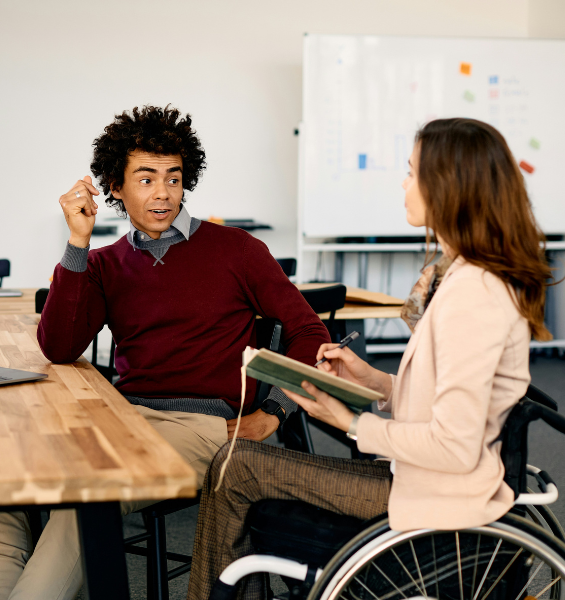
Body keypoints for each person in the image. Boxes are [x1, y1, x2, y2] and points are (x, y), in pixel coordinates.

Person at [0, 105, 331, 600]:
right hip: (121, 419)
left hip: (202, 429)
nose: (162, 193)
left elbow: (309, 331)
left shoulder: (238, 250)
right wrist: (77, 241)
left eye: (173, 178)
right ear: (115, 187)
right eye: (145, 179)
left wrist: (274, 411)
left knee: (85, 499)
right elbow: (58, 347)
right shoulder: (104, 263)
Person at [186, 117, 555, 600]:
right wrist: (372, 382)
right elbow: (442, 400)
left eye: (411, 172)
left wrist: (351, 422)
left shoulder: (475, 295)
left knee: (237, 468)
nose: (403, 183)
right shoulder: (461, 277)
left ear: (447, 187)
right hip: (418, 478)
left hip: (438, 494)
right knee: (236, 466)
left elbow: (455, 445)